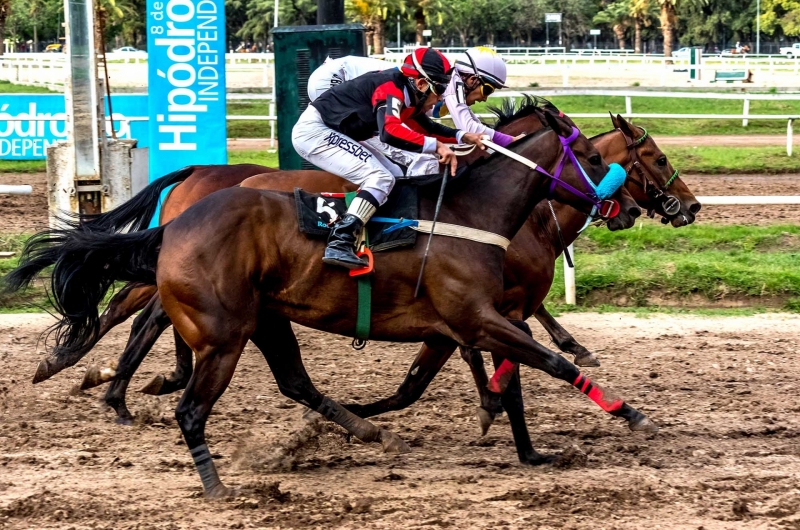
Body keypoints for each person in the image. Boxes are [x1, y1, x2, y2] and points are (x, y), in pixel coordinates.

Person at [292, 47, 485, 269]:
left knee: (396, 176)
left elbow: (426, 127)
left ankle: (381, 237)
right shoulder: (390, 87)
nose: (441, 97)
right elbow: (390, 132)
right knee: (380, 177)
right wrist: (436, 146)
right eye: (439, 88)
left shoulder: (408, 93)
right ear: (421, 83)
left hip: (335, 130)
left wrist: (461, 135)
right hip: (316, 132)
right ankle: (339, 242)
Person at [436, 47, 522, 147]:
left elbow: (474, 122)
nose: (485, 99)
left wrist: (505, 138)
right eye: (487, 90)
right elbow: (469, 129)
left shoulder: (455, 81)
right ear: (472, 80)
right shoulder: (454, 84)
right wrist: (510, 140)